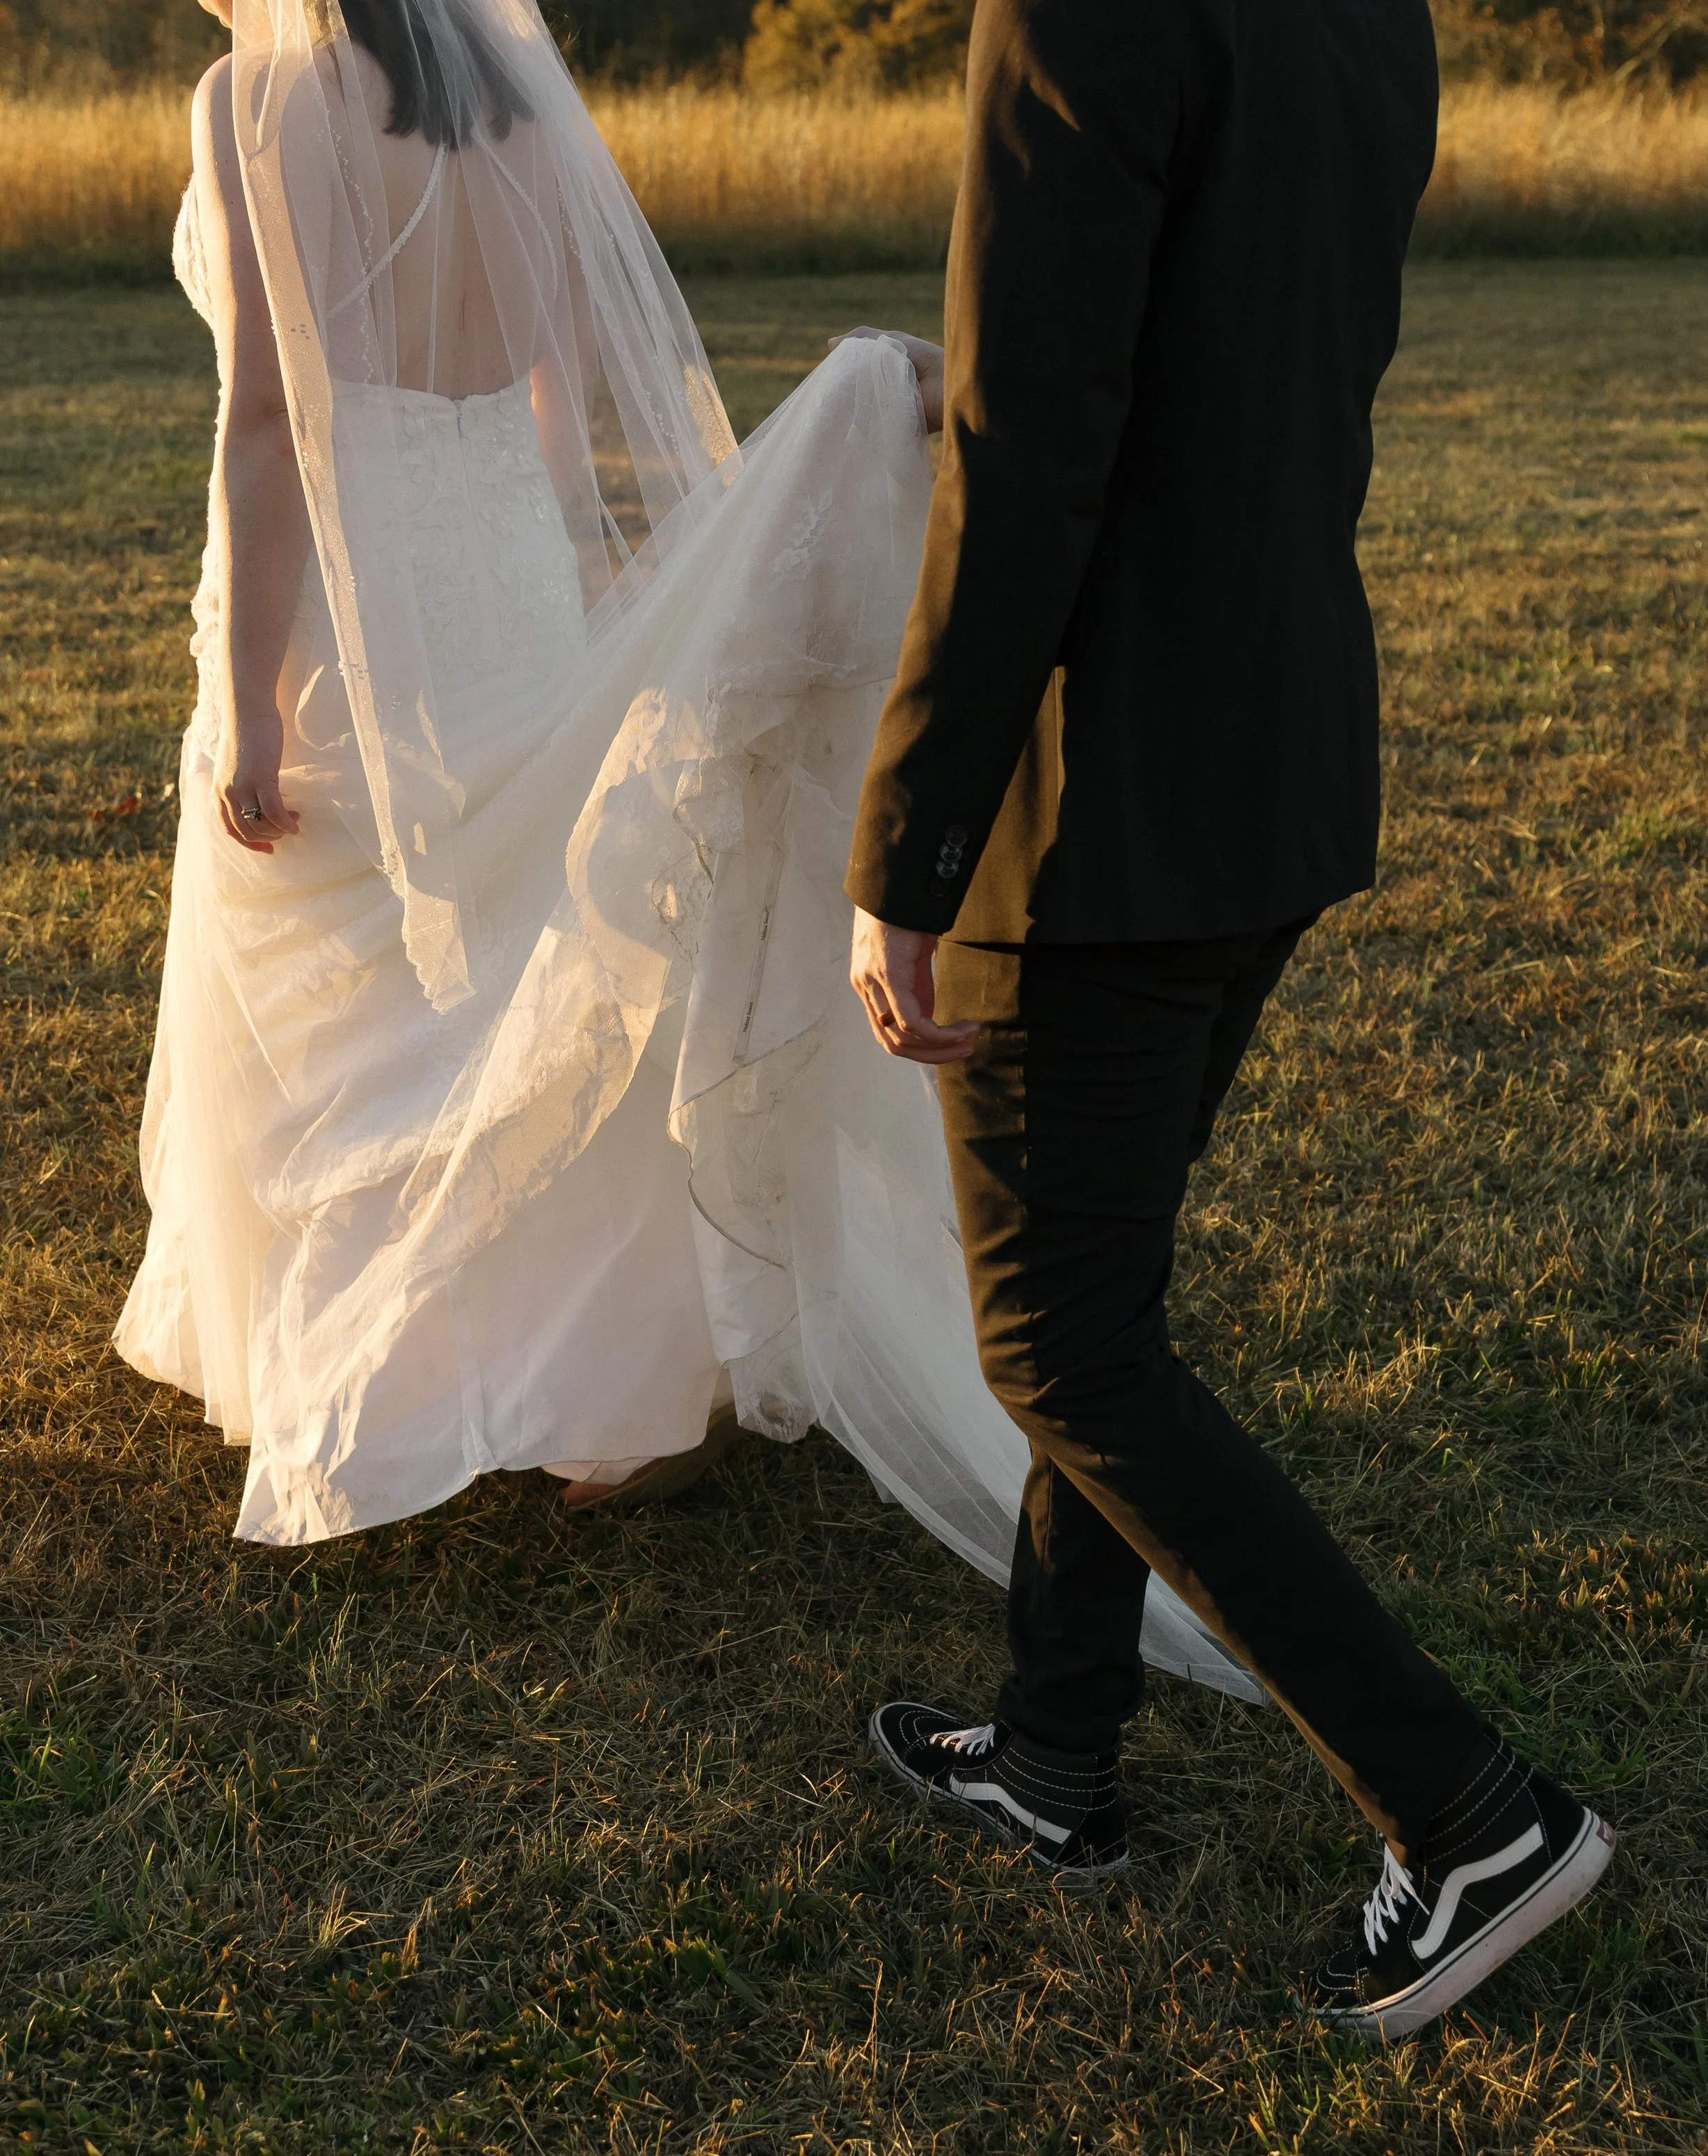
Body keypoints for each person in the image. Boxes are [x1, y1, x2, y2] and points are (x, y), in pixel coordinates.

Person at [114, 0, 1264, 1702]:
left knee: (362, 957)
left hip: (360, 599)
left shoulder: (253, 99)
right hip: (503, 561)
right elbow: (562, 375)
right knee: (539, 951)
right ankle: (607, 1380)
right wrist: (572, 572)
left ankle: (397, 1358)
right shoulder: (520, 94)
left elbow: (271, 425)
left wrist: (256, 703)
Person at [847, 0, 1616, 2040]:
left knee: (1058, 1338)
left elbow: (1025, 450)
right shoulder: (1370, 14)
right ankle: (1055, 1751)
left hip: (1092, 811)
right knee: (1097, 1296)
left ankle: (1466, 1818)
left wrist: (909, 848)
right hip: (1274, 759)